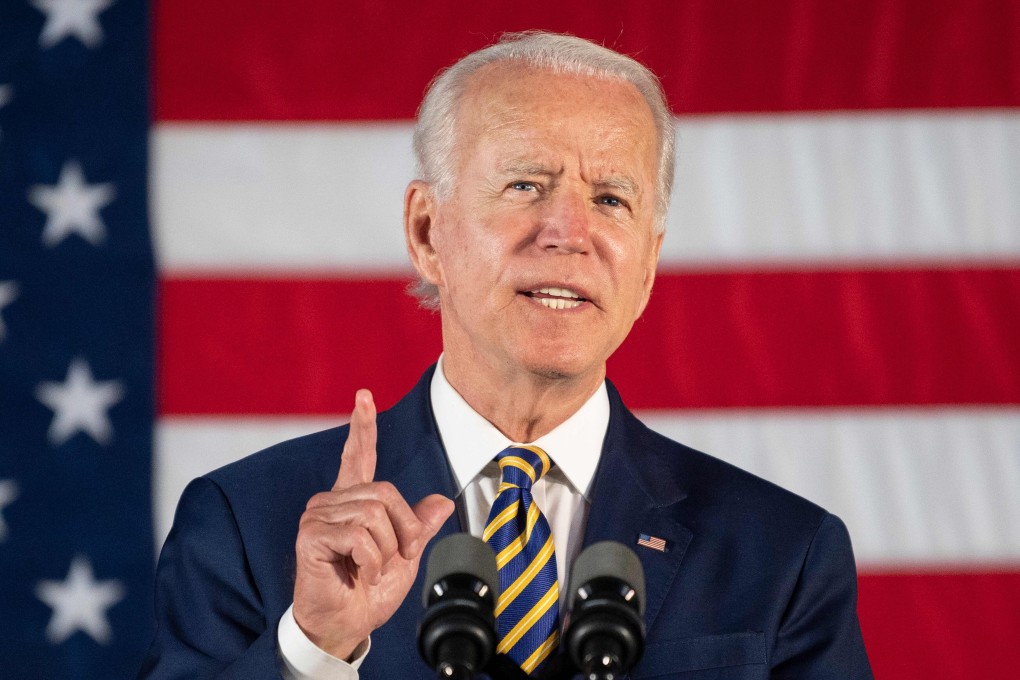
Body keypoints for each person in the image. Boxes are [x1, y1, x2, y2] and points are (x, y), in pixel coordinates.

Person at [140, 32, 873, 679]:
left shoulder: (784, 554)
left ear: (647, 265)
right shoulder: (246, 521)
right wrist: (316, 649)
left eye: (612, 199)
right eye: (526, 185)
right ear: (428, 232)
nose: (568, 231)